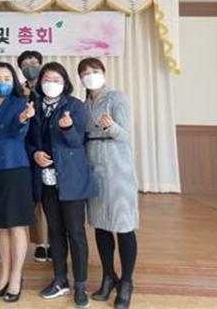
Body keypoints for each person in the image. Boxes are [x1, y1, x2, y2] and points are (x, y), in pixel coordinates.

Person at [28, 62, 98, 309]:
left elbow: (78, 141)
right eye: (46, 79)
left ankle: (80, 284)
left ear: (65, 82)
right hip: (46, 178)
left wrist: (68, 129)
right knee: (55, 231)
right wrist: (35, 153)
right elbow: (29, 139)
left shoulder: (74, 106)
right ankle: (60, 280)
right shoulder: (34, 105)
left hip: (71, 179)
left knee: (75, 232)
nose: (51, 83)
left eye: (56, 79)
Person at [78, 57, 138, 309]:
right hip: (93, 168)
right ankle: (108, 275)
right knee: (101, 225)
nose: (90, 75)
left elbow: (125, 135)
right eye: (85, 72)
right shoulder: (82, 105)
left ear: (103, 73)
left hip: (118, 167)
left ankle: (127, 281)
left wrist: (111, 127)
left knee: (123, 225)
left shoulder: (116, 98)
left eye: (94, 70)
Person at [0, 62, 36, 304]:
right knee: (0, 226)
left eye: (7, 78)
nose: (2, 82)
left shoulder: (20, 104)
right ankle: (3, 275)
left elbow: (17, 133)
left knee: (16, 225)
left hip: (14, 169)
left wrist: (22, 120)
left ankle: (16, 277)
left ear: (13, 81)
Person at [18, 50, 51, 263]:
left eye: (34, 63)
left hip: (51, 150)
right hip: (29, 150)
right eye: (25, 64)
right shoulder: (19, 91)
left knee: (53, 199)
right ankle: (40, 243)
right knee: (36, 199)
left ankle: (55, 242)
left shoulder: (51, 87)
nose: (30, 67)